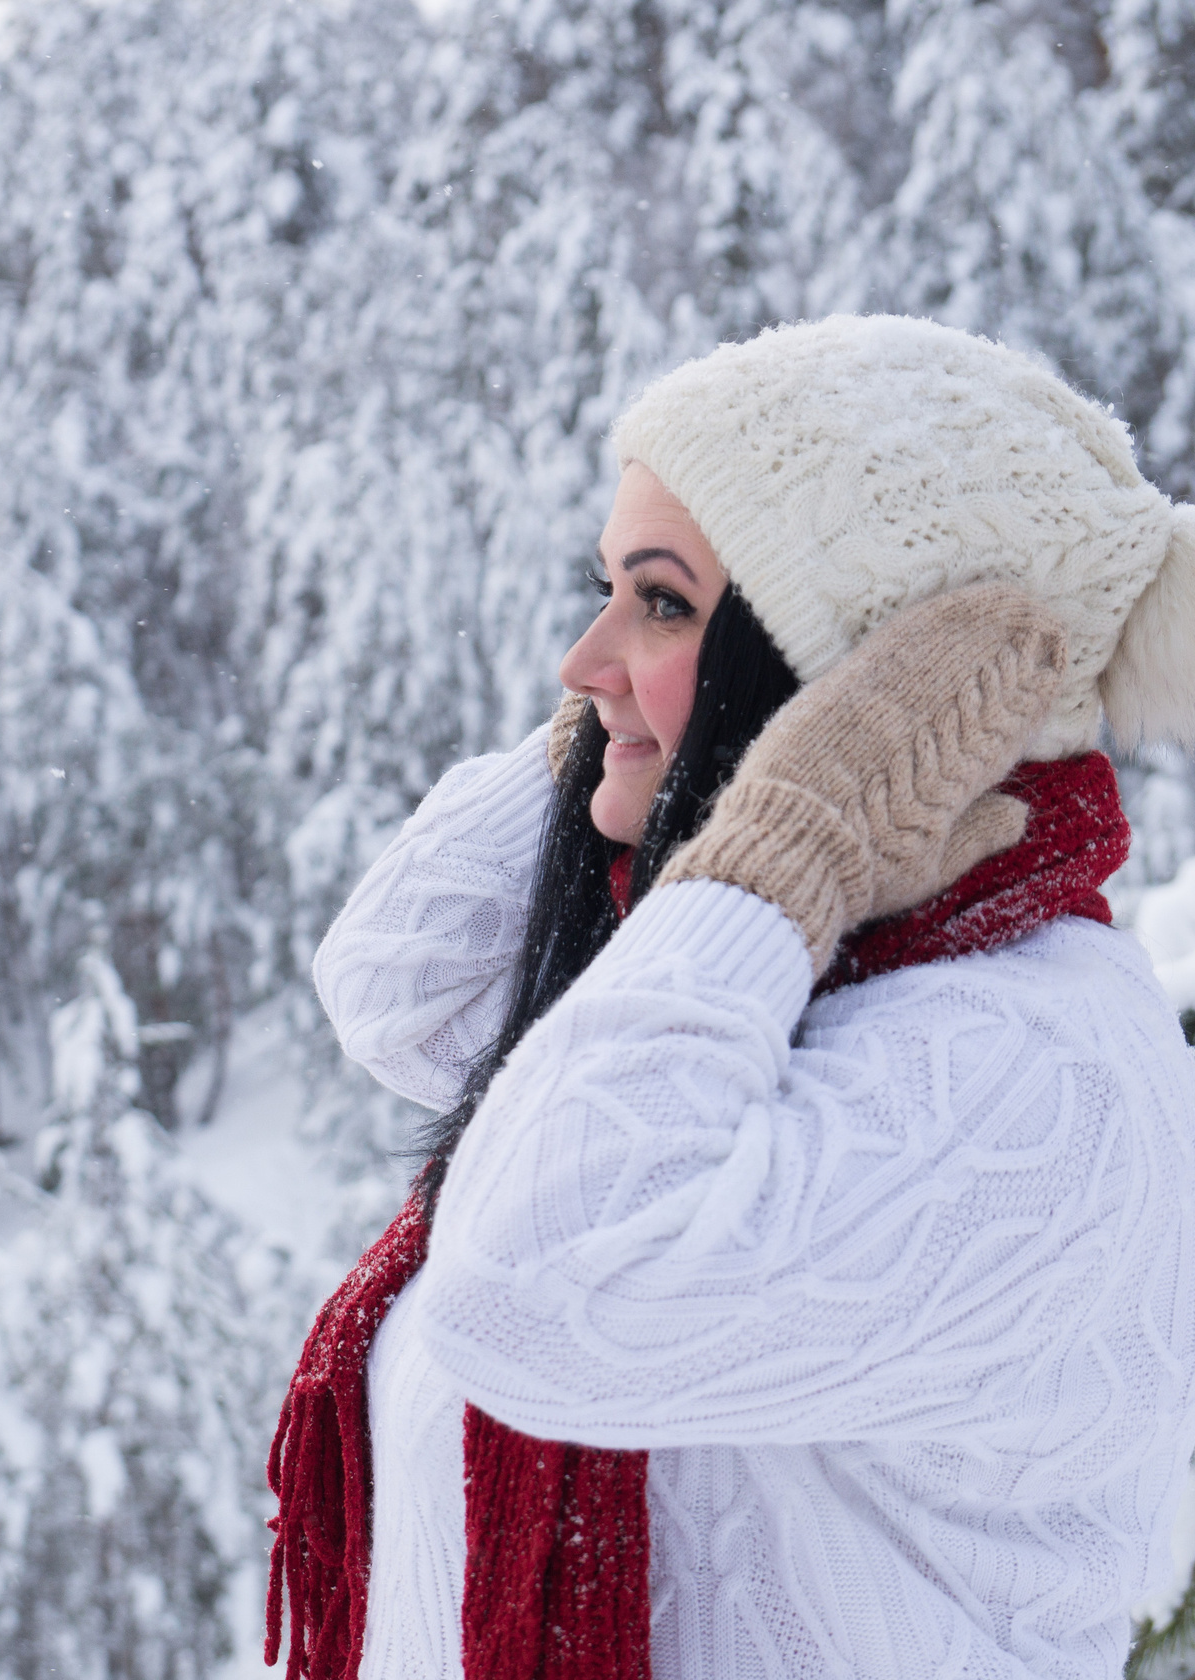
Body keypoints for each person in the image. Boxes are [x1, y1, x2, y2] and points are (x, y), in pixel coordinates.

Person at [266, 315, 1195, 1680]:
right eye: (609, 590)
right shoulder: (766, 972)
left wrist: (784, 834)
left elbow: (536, 1299)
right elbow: (401, 977)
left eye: (659, 602)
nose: (580, 667)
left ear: (852, 667)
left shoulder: (1031, 1063)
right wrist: (700, 748)